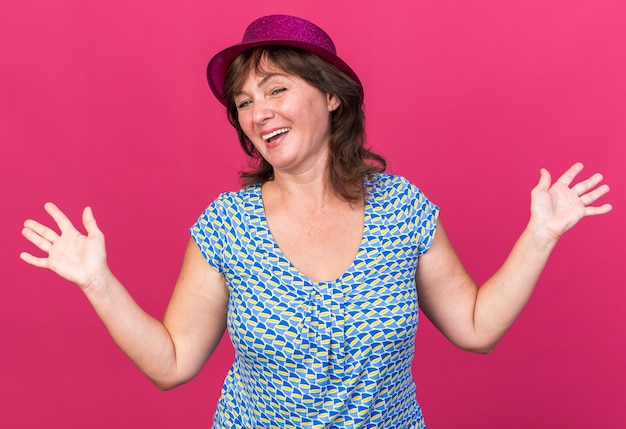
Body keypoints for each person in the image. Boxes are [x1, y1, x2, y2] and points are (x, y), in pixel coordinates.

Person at [20, 14, 612, 429]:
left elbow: (476, 328)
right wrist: (98, 281)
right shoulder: (227, 227)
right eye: (244, 102)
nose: (258, 112)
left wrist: (541, 235)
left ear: (331, 96)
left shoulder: (401, 209)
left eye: (276, 89)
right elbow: (171, 364)